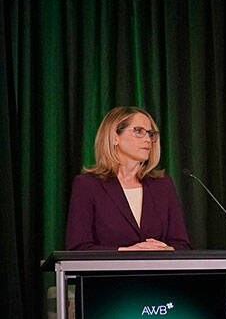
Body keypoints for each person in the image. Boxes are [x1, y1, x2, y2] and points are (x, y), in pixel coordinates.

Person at [65, 106, 191, 251]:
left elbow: (182, 245)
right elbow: (78, 247)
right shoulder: (87, 185)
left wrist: (166, 250)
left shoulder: (163, 185)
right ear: (114, 137)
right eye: (138, 131)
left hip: (156, 273)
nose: (148, 140)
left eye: (150, 134)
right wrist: (126, 252)